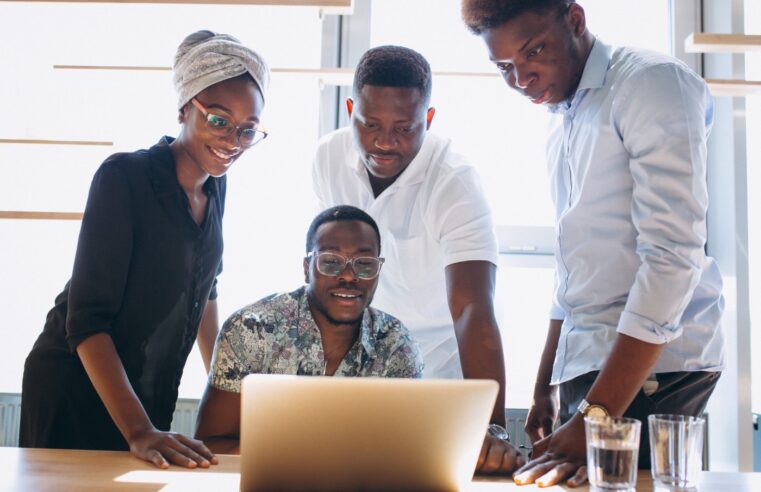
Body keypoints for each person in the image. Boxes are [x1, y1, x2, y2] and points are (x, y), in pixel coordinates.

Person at [462, 0, 725, 486]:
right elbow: (573, 275)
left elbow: (671, 260)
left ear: (576, 20)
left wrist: (596, 416)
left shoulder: (651, 83)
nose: (522, 80)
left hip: (653, 369)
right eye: (504, 68)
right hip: (589, 370)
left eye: (533, 51)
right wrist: (545, 384)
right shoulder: (562, 117)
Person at [19, 30, 270, 469]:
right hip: (77, 384)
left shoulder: (216, 188)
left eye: (247, 130)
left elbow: (206, 291)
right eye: (218, 119)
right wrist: (137, 429)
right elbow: (86, 320)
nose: (233, 140)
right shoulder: (125, 177)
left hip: (145, 392)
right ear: (184, 107)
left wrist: (227, 392)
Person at [312, 45, 522, 473]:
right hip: (355, 375)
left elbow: (472, 308)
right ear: (350, 109)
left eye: (404, 128)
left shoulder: (455, 184)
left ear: (427, 119)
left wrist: (494, 429)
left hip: (437, 376)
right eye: (370, 124)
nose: (384, 142)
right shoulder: (327, 158)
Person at [194, 205, 424, 452]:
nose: (348, 276)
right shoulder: (251, 329)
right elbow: (211, 443)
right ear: (307, 268)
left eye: (364, 264)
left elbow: (405, 450)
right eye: (331, 262)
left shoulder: (395, 343)